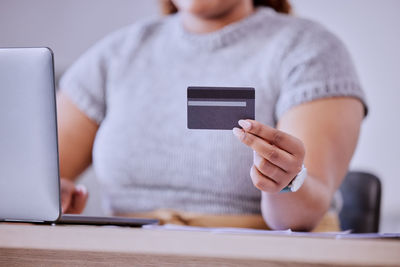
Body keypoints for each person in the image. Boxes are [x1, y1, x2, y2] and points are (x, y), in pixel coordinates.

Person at [57, 0, 367, 231]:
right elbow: (35, 180)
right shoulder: (115, 54)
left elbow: (302, 216)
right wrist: (51, 194)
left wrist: (287, 181)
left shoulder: (311, 50)